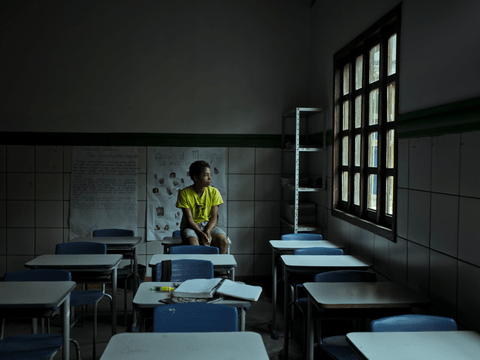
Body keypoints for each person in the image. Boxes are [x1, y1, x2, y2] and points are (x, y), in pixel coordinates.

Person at [176, 160, 229, 254]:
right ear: (196, 178)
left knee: (223, 241)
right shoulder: (184, 193)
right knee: (194, 245)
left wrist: (207, 231)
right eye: (206, 175)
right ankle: (198, 268)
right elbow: (189, 220)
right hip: (190, 227)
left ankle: (218, 268)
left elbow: (214, 217)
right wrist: (201, 234)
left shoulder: (214, 192)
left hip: (209, 225)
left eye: (210, 175)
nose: (210, 178)